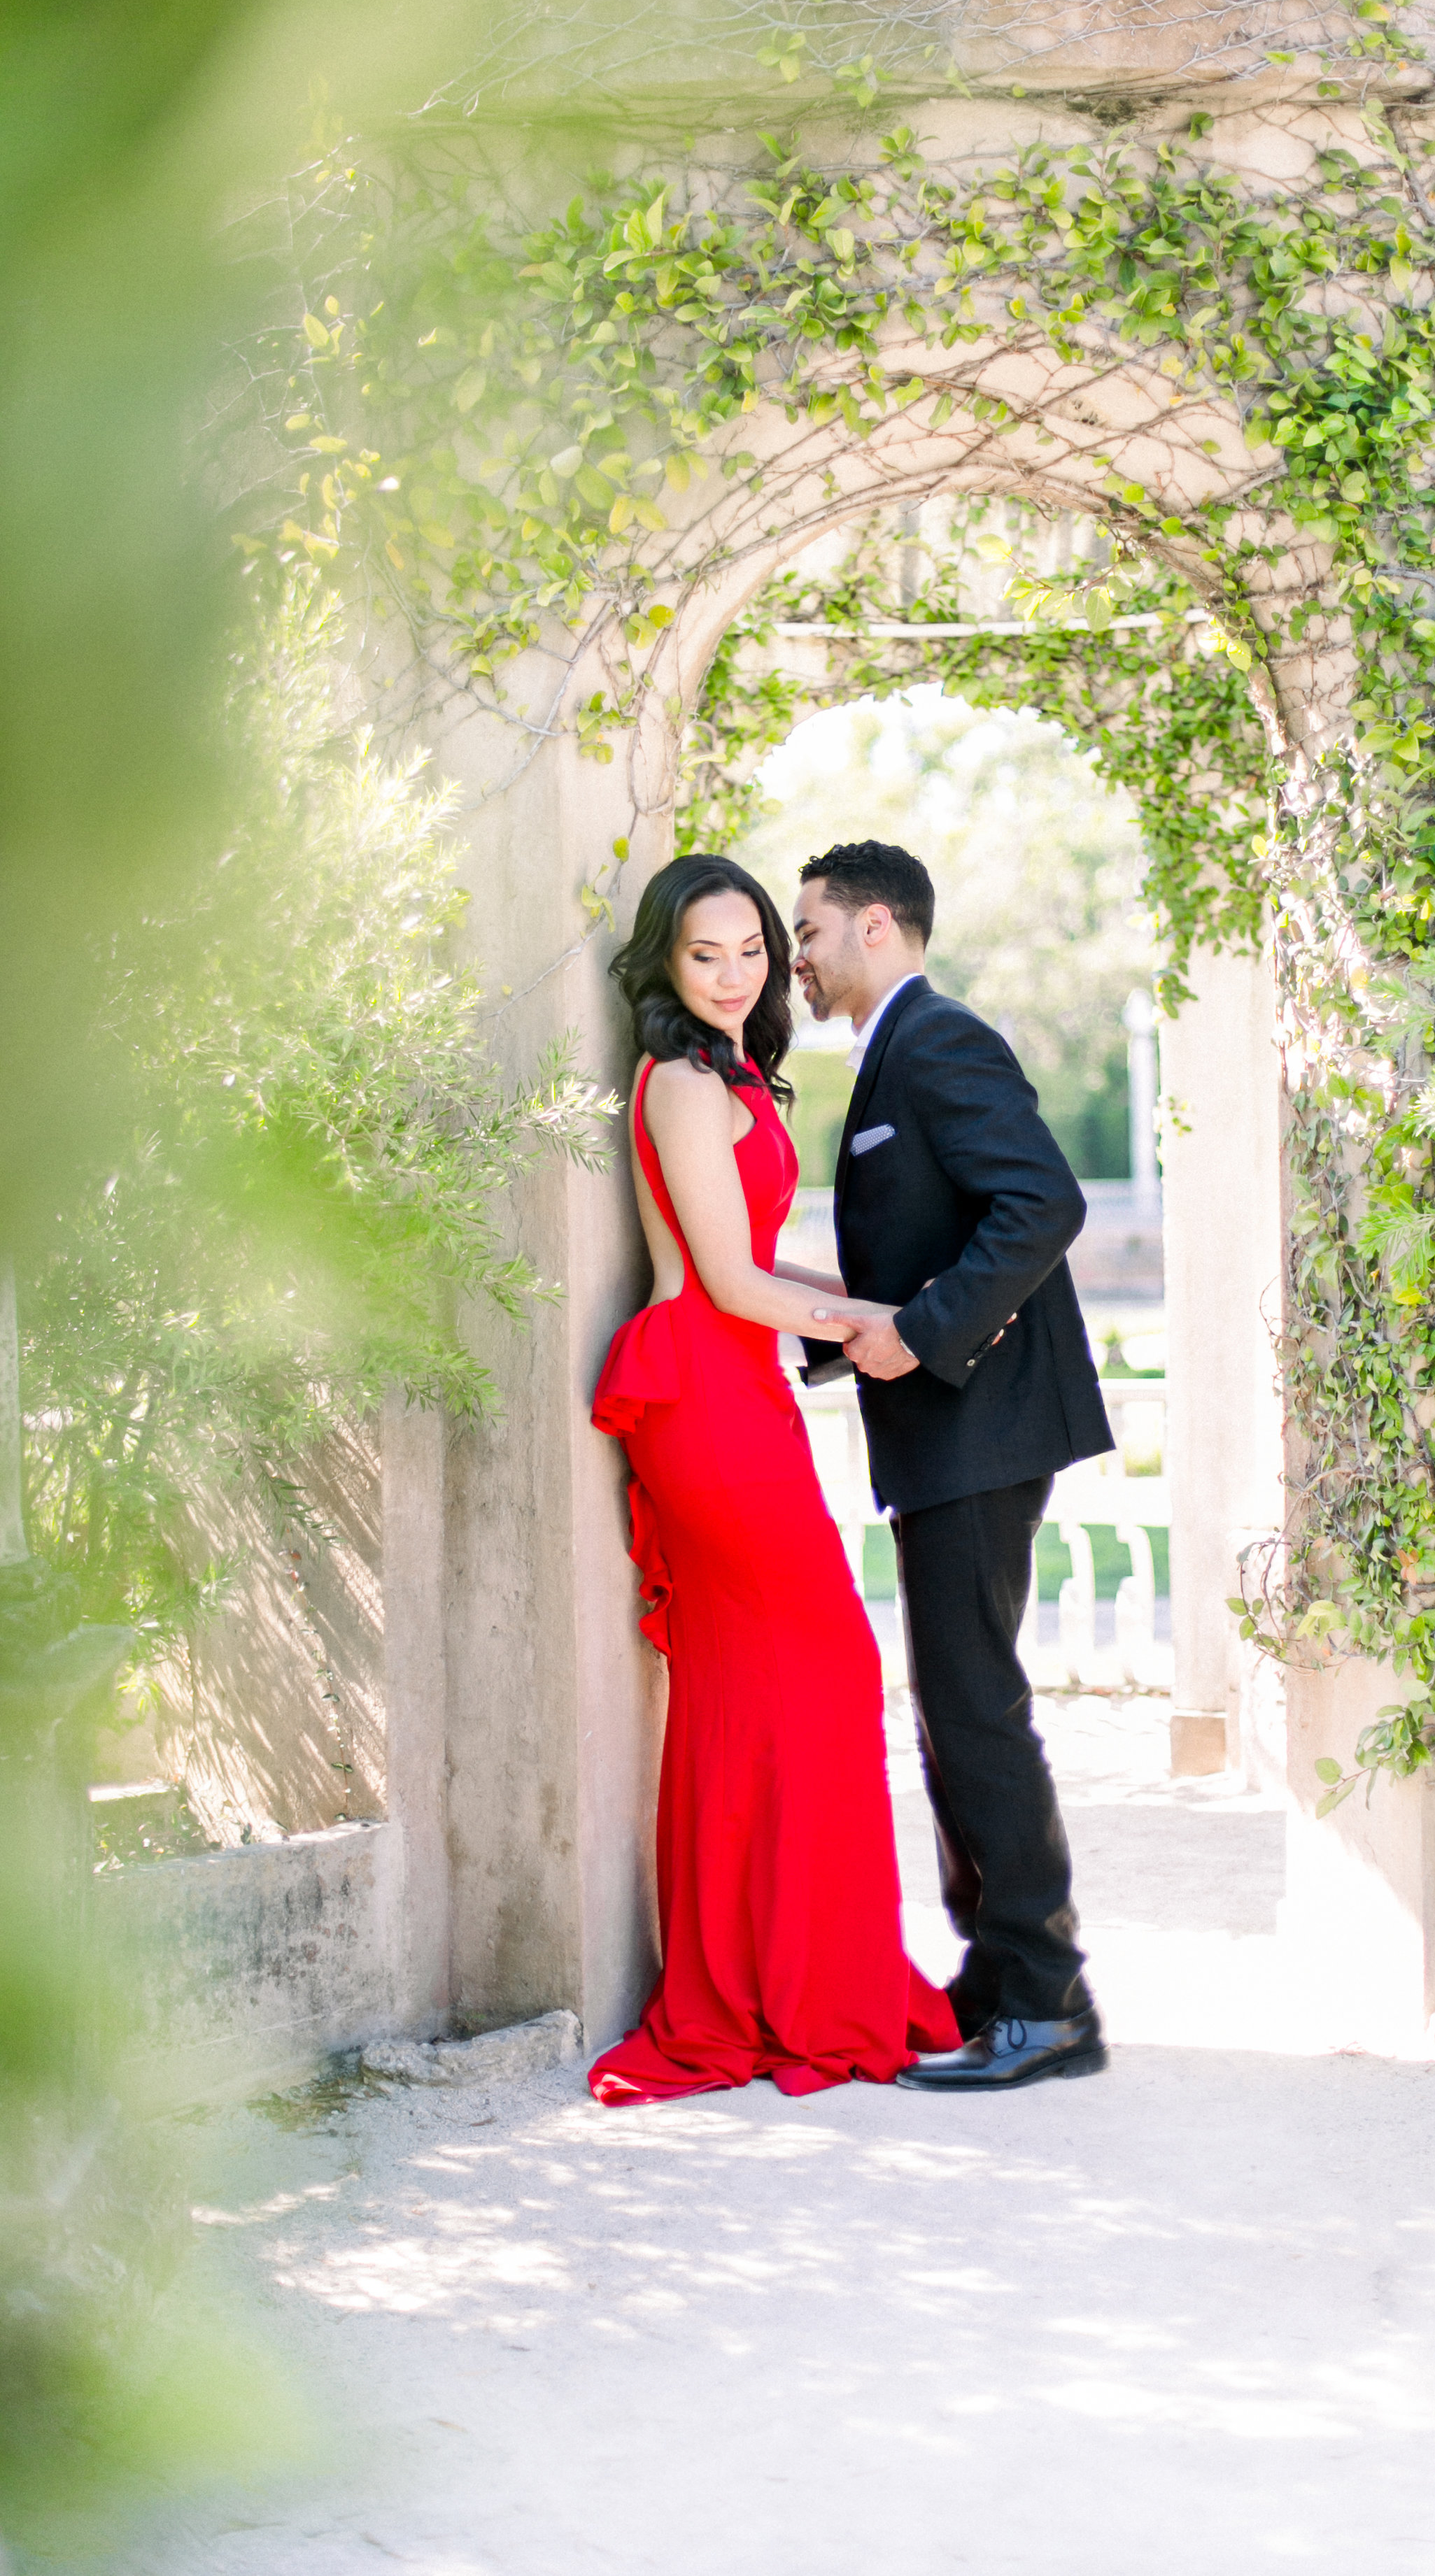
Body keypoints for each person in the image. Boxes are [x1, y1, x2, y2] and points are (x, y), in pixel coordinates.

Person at [586, 853, 960, 2105]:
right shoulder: (685, 1087)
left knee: (754, 1692)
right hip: (699, 1393)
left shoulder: (733, 1071)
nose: (738, 972)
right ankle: (785, 1988)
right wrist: (880, 1319)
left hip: (739, 1389)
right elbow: (733, 1283)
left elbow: (761, 1269)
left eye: (753, 948)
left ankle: (781, 1973)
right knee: (822, 1668)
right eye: (708, 953)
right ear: (666, 963)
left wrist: (879, 1310)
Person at [793, 840, 1115, 2093]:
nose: (799, 959)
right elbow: (930, 1241)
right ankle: (996, 1979)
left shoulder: (936, 1041)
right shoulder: (893, 1052)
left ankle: (1047, 1999)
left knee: (972, 1703)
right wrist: (838, 1328)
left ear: (877, 927)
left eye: (809, 931)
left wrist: (917, 1332)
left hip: (983, 1428)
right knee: (950, 1703)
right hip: (950, 1429)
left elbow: (1042, 1202)